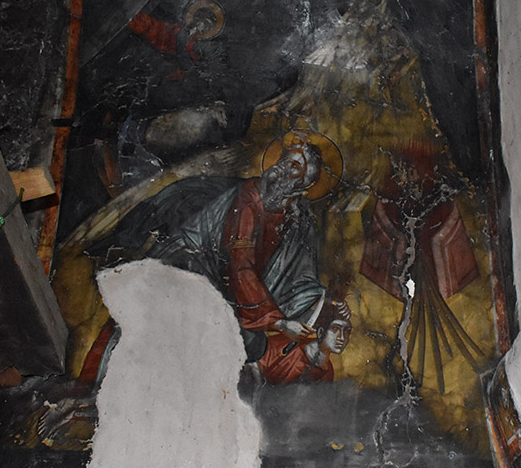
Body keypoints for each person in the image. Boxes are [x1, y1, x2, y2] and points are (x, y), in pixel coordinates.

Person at [94, 129, 343, 364]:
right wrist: (278, 323)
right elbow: (240, 264)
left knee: (249, 346)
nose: (282, 167)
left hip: (229, 288)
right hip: (190, 267)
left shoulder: (295, 221)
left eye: (294, 166)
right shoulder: (249, 200)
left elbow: (300, 277)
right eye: (285, 158)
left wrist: (325, 304)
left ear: (304, 185)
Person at [257, 300, 352, 384]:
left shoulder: (327, 373)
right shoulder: (283, 345)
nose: (341, 337)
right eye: (335, 329)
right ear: (320, 332)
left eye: (346, 331)